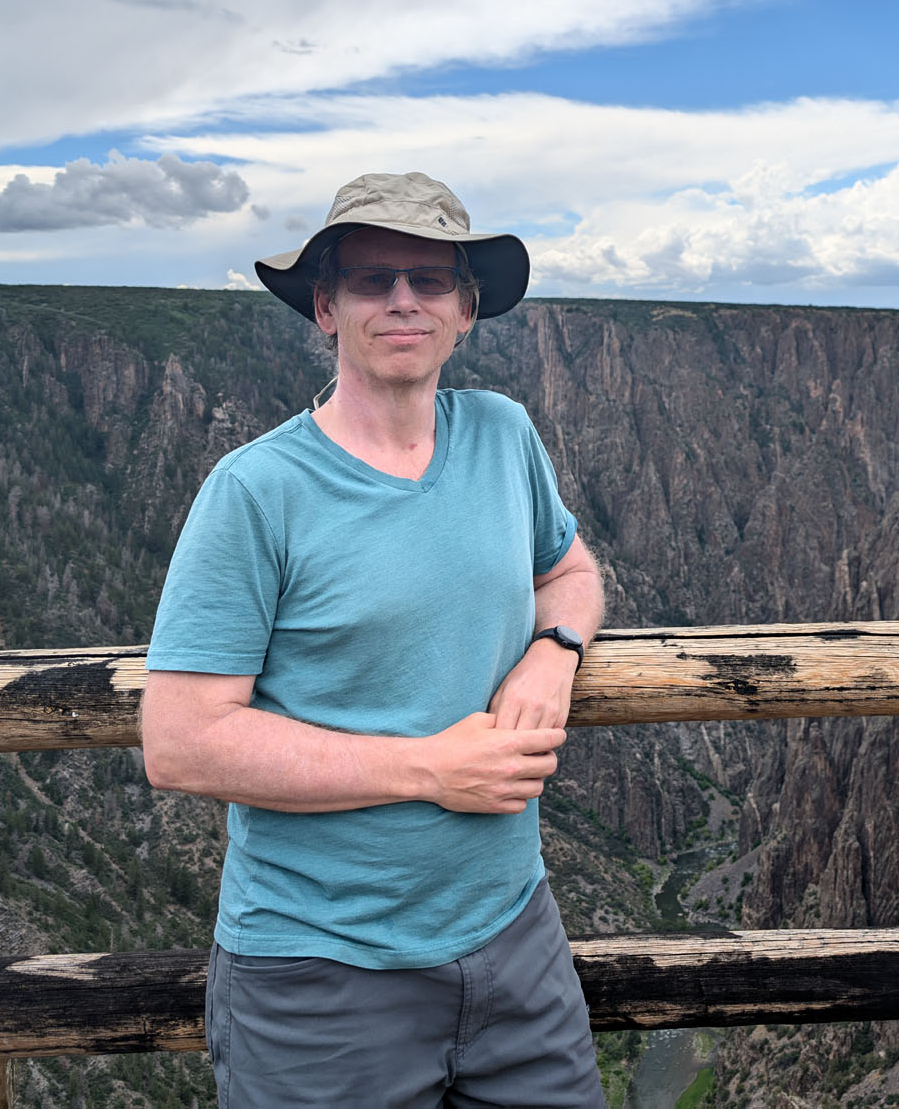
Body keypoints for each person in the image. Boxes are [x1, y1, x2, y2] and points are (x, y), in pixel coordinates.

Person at [142, 171, 607, 1108]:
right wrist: (429, 770)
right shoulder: (255, 491)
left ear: (466, 311)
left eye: (430, 281)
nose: (403, 299)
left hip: (515, 941)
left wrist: (554, 650)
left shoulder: (503, 435)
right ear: (326, 307)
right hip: (321, 979)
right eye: (372, 279)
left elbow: (572, 570)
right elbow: (181, 741)